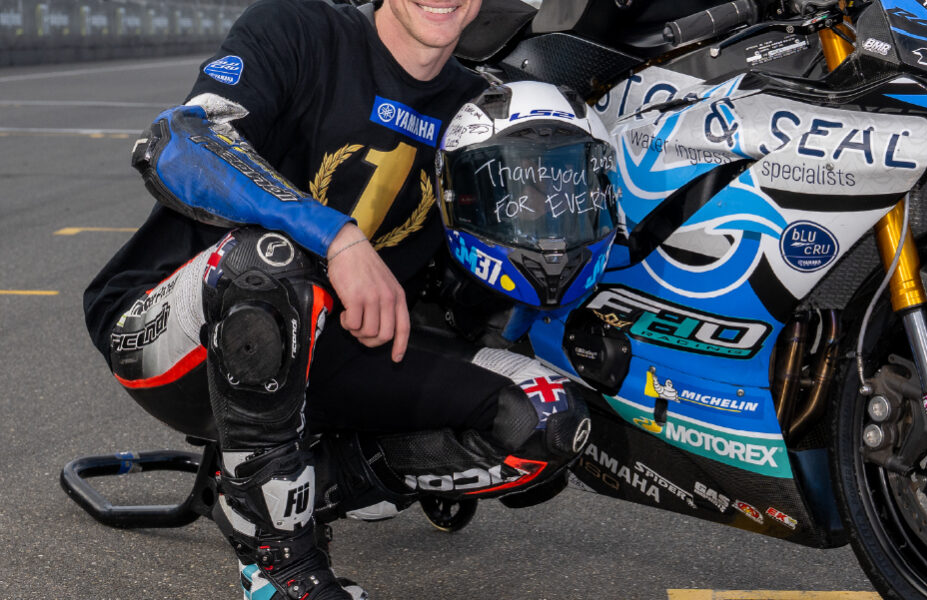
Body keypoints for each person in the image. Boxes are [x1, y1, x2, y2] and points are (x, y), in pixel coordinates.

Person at [82, 1, 601, 599]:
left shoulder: (477, 111)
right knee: (270, 262)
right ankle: (279, 563)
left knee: (548, 418)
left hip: (335, 350)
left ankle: (287, 486)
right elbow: (179, 143)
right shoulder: (298, 29)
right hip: (171, 330)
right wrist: (338, 238)